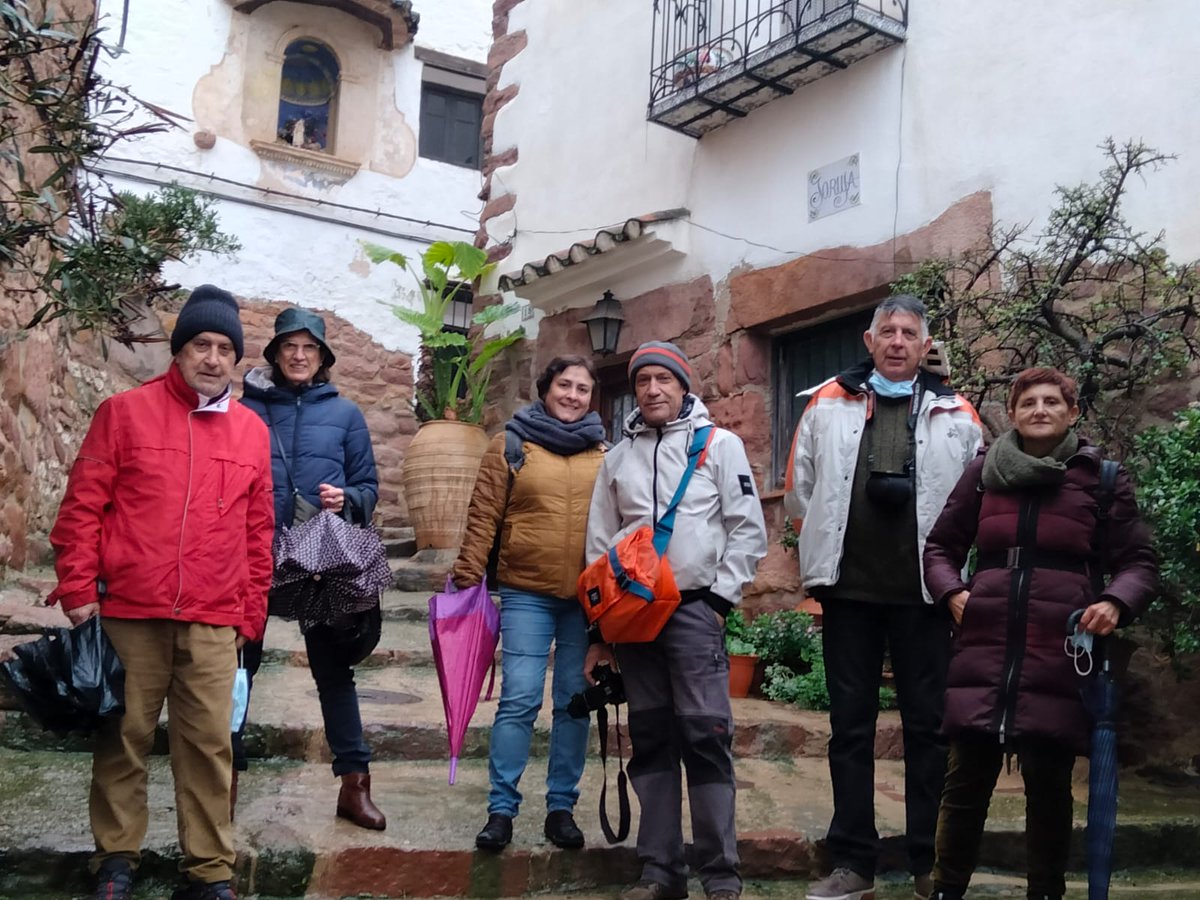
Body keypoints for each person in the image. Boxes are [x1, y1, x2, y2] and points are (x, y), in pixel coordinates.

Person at [47, 285, 274, 900]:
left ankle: (208, 871)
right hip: (130, 611)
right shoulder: (124, 413)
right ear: (179, 352)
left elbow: (259, 533)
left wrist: (250, 616)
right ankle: (116, 861)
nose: (213, 358)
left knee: (208, 746)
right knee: (124, 739)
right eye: (201, 344)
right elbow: (82, 507)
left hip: (213, 618)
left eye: (225, 348)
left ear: (236, 358)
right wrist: (78, 590)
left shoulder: (253, 432)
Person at [922, 368, 1158, 900]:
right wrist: (951, 593)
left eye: (1053, 401)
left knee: (1049, 789)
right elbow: (940, 548)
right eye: (1028, 402)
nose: (1040, 410)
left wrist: (1114, 601)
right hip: (984, 648)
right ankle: (945, 890)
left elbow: (1137, 561)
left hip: (1060, 652)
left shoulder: (1101, 478)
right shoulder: (984, 473)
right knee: (963, 786)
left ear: (1072, 413)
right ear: (1014, 412)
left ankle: (1046, 893)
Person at [784, 295, 983, 900]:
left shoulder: (958, 412)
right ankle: (853, 863)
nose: (897, 342)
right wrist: (825, 553)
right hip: (850, 593)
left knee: (928, 728)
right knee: (850, 729)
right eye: (887, 332)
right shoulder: (826, 404)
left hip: (927, 595)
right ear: (868, 342)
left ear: (927, 347)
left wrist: (955, 579)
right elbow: (801, 494)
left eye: (909, 334)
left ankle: (930, 861)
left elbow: (974, 500)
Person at [584, 341, 768, 900]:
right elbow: (598, 547)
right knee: (652, 738)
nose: (653, 389)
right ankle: (660, 871)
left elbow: (747, 529)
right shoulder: (616, 458)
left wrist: (718, 602)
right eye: (643, 381)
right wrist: (601, 631)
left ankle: (720, 876)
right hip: (634, 622)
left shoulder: (720, 446)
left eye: (664, 379)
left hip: (693, 612)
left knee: (706, 736)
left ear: (684, 385)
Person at [235, 307, 385, 830]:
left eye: (310, 348)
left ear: (322, 358)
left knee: (332, 669)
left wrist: (346, 499)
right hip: (250, 553)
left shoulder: (346, 415)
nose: (299, 356)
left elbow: (369, 488)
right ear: (274, 353)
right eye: (290, 347)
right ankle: (222, 773)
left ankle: (354, 784)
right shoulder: (242, 412)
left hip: (319, 556)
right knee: (236, 666)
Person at [452, 356, 607, 851]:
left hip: (585, 600)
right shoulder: (511, 444)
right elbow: (483, 517)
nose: (573, 395)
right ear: (546, 388)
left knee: (573, 704)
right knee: (519, 699)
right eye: (565, 385)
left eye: (583, 389)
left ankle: (561, 808)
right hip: (525, 592)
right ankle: (501, 810)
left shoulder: (605, 454)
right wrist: (465, 575)